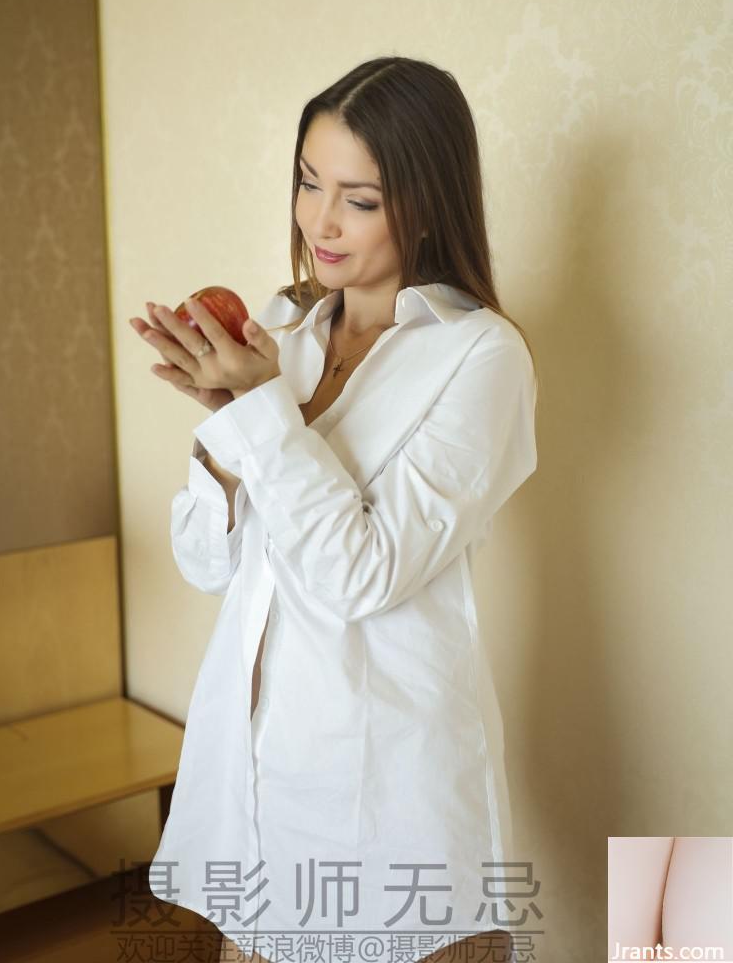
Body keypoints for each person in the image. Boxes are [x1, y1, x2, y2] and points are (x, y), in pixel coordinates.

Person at [130, 56, 540, 963]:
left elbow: (364, 574)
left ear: (427, 201)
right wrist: (224, 431)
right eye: (309, 183)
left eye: (358, 198)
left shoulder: (481, 359)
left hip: (390, 787)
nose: (319, 221)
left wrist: (261, 414)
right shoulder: (287, 337)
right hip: (258, 779)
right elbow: (206, 564)